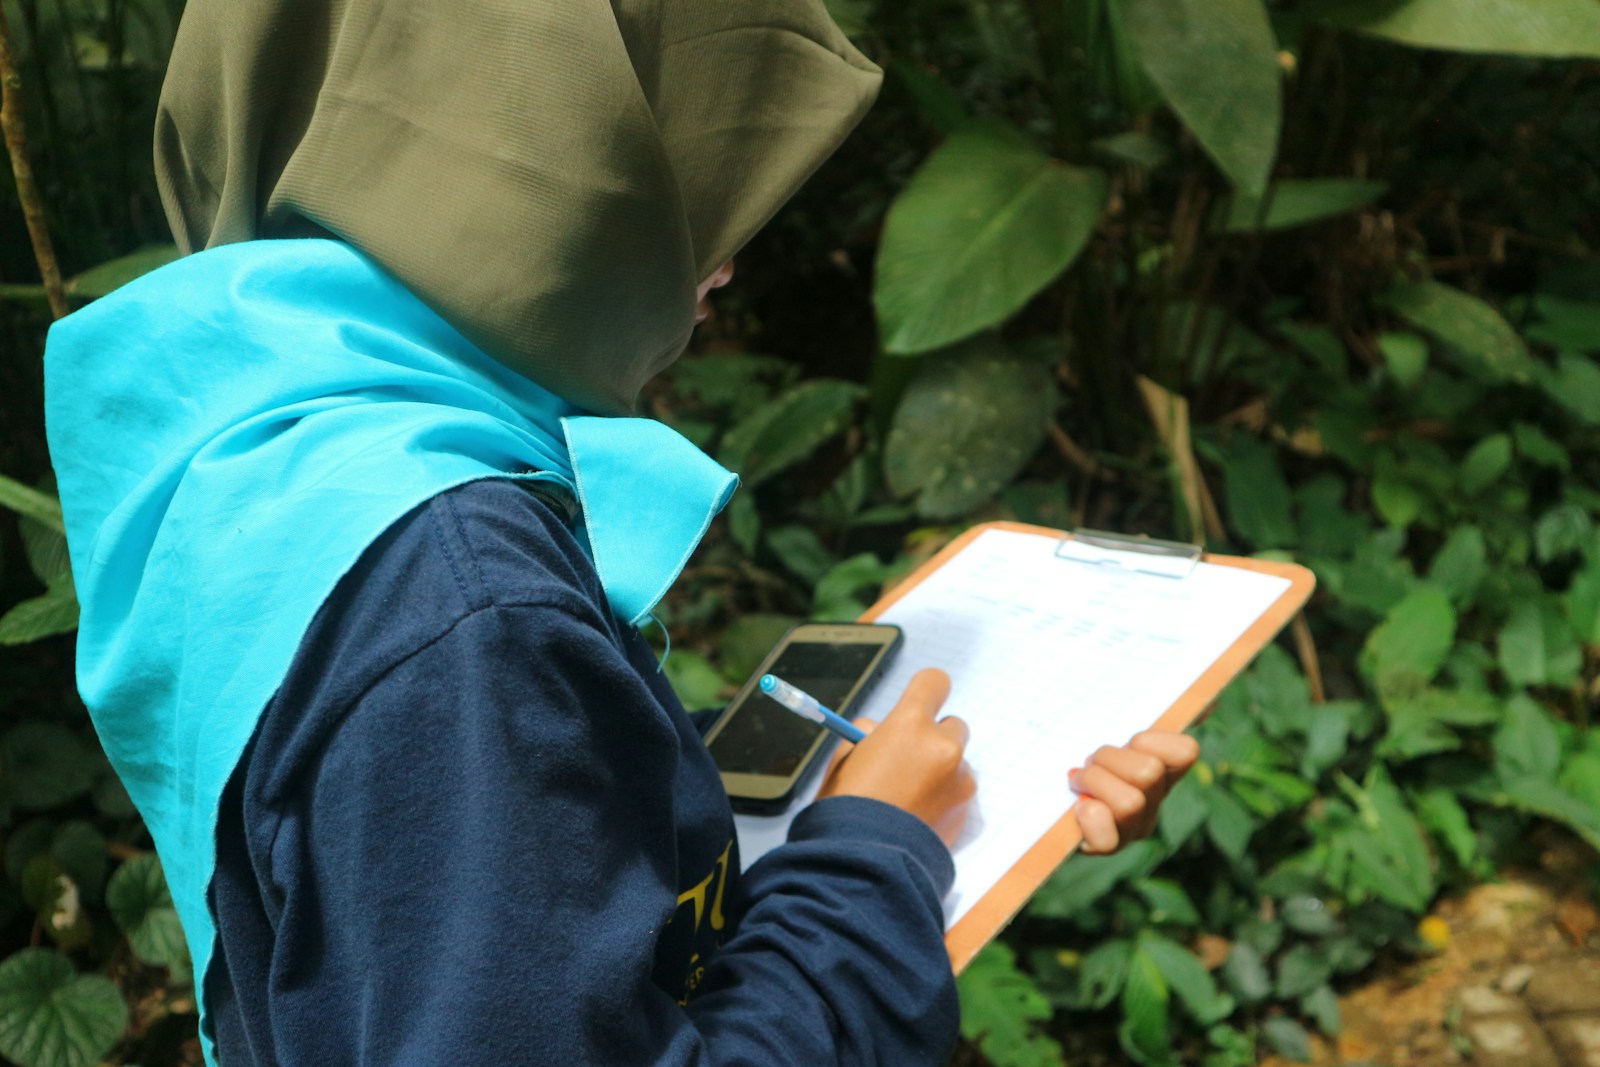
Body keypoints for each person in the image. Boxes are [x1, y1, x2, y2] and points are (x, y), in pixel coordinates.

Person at [45, 2, 1199, 1064]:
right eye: (670, 183)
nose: (724, 259)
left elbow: (412, 866)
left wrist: (844, 801)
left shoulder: (253, 434)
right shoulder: (460, 609)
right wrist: (871, 851)